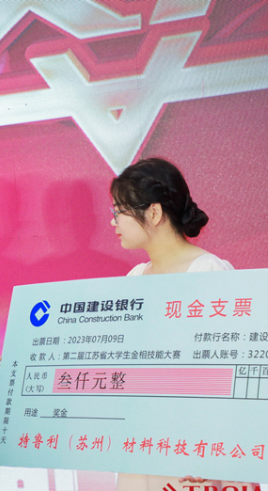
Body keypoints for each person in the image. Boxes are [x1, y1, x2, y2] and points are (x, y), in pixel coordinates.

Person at [110, 158, 249, 490]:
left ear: (154, 213)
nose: (113, 221)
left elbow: (230, 371)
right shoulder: (134, 277)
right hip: (142, 440)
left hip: (193, 448)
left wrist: (211, 445)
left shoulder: (208, 272)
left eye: (119, 211)